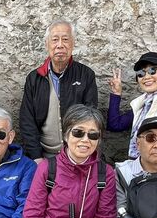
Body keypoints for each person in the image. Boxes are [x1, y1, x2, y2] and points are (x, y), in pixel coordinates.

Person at [20, 20, 98, 162]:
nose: (60, 45)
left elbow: (90, 118)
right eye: (55, 40)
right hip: (43, 155)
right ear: (47, 44)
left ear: (73, 44)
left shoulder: (86, 75)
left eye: (65, 39)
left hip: (76, 155)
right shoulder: (34, 78)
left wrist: (78, 155)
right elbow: (27, 121)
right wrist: (36, 157)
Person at [106, 52, 157, 171]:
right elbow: (115, 125)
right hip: (138, 171)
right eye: (141, 73)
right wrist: (116, 94)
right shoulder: (141, 104)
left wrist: (151, 171)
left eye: (152, 70)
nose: (146, 77)